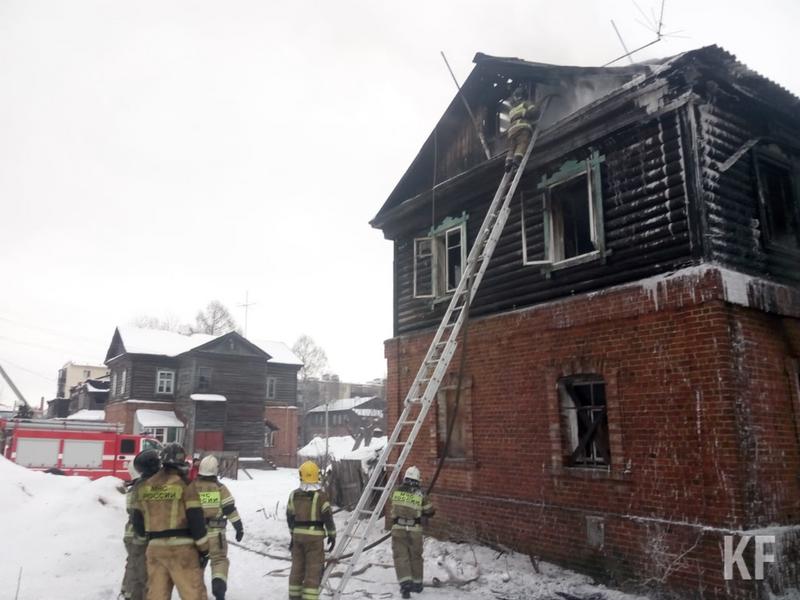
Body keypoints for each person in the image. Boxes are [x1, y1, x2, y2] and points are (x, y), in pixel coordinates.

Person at [132, 443, 209, 600]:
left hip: (155, 550)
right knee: (193, 594)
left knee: (156, 595)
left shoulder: (144, 487)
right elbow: (196, 519)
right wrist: (204, 549)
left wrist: (146, 543)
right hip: (183, 550)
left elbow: (137, 522)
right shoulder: (185, 485)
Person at [194, 455, 244, 600]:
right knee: (219, 561)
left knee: (196, 564)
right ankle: (219, 588)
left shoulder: (192, 488)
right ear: (215, 470)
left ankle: (196, 592)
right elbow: (230, 509)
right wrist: (238, 527)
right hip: (216, 535)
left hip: (197, 535)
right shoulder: (220, 489)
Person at [287, 460, 336, 600]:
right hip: (314, 540)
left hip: (298, 538)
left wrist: (293, 534)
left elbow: (289, 517)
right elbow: (327, 517)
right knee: (313, 572)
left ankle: (294, 597)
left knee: (296, 570)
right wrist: (332, 535)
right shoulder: (321, 496)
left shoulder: (293, 495)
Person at [121, 449, 161, 600]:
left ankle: (128, 593)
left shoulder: (137, 488)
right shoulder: (140, 488)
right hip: (139, 536)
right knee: (141, 571)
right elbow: (137, 514)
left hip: (135, 535)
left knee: (134, 566)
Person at [390, 466, 435, 598]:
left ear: (405, 478)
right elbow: (430, 511)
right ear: (417, 480)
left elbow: (391, 501)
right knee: (415, 557)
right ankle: (417, 584)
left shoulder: (396, 491)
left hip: (398, 529)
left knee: (401, 556)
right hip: (415, 530)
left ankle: (405, 585)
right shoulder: (421, 494)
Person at [504, 84, 538, 172]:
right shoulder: (525, 103)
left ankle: (508, 162)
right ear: (524, 95)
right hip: (522, 127)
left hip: (511, 131)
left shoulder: (512, 110)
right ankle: (516, 160)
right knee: (522, 143)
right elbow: (534, 112)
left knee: (512, 147)